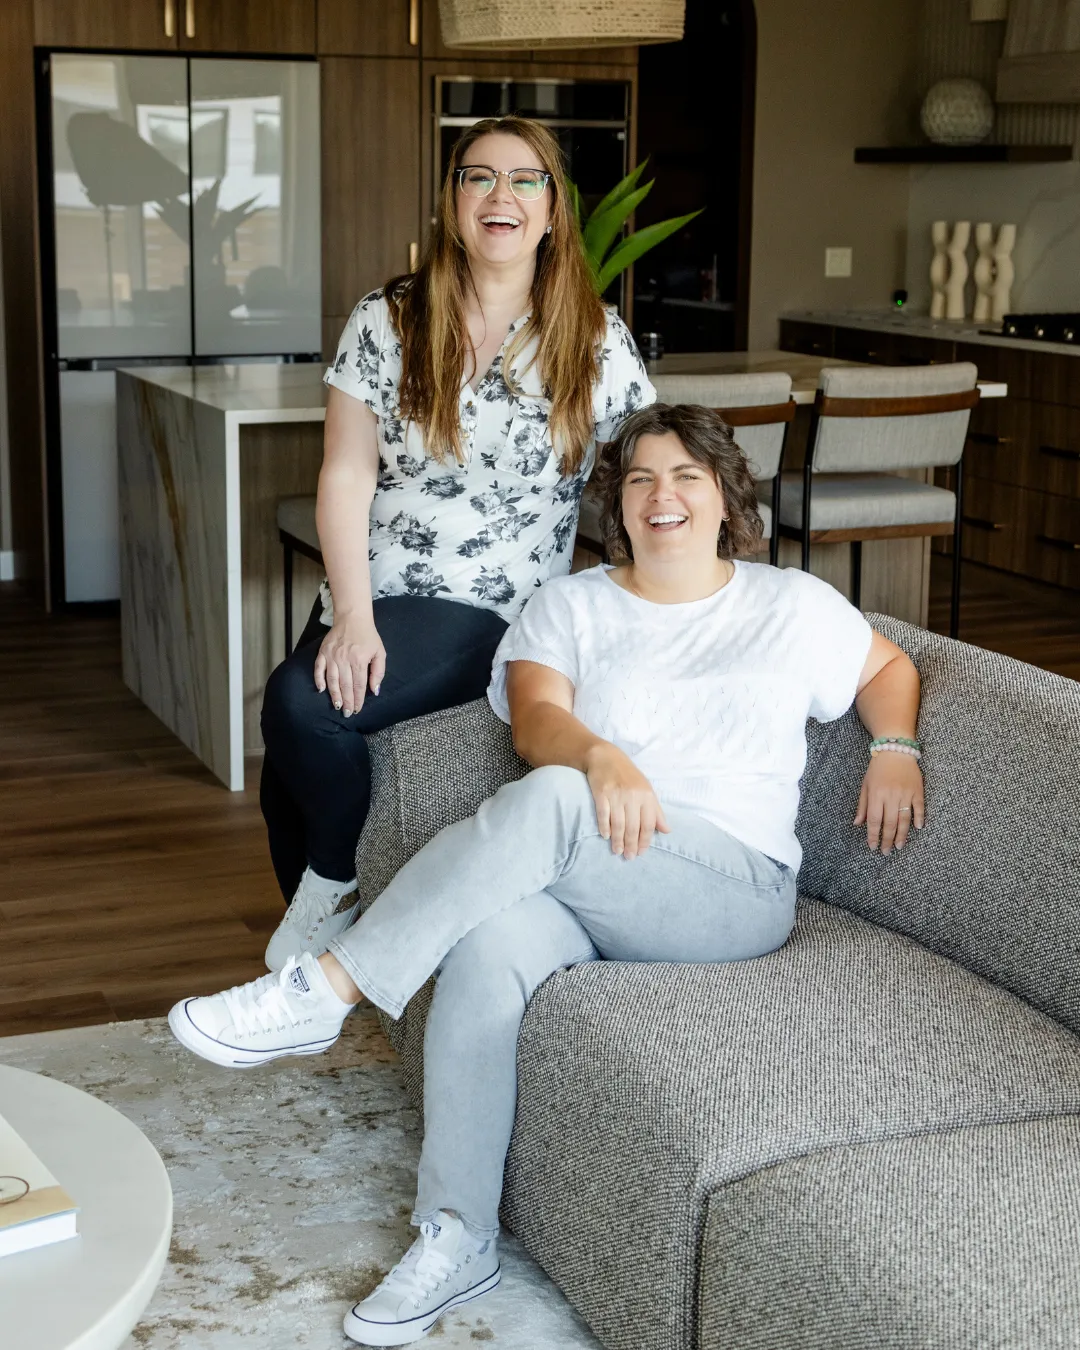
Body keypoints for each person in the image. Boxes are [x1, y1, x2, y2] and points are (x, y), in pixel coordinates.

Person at [169, 403, 926, 1346]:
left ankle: (329, 986)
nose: (664, 496)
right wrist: (601, 759)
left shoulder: (790, 602)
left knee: (557, 800)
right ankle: (456, 1235)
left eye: (688, 477)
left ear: (729, 500)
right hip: (601, 870)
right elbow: (534, 723)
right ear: (617, 503)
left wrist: (893, 746)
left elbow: (887, 665)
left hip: (729, 890)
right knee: (491, 941)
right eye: (643, 478)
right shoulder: (571, 605)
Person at [259, 115, 654, 973]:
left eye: (525, 180)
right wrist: (352, 616)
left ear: (553, 211)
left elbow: (640, 477)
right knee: (283, 772)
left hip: (493, 604)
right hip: (371, 586)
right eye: (479, 177)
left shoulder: (595, 341)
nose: (500, 196)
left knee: (302, 708)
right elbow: (346, 477)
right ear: (454, 202)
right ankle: (325, 947)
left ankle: (336, 900)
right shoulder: (389, 319)